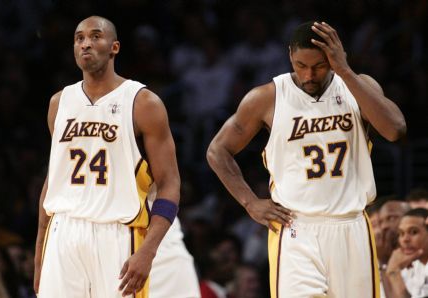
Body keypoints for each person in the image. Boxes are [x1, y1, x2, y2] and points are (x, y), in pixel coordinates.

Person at [207, 21, 406, 298]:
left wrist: (345, 71)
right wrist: (249, 202)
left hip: (352, 226)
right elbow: (217, 150)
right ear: (290, 55)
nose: (309, 75)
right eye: (301, 65)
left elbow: (395, 129)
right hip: (296, 228)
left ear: (334, 58)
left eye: (319, 66)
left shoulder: (357, 87)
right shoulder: (267, 98)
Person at [33, 16, 180, 298]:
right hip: (63, 230)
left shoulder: (143, 102)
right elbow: (53, 180)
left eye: (95, 36)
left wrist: (148, 250)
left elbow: (170, 183)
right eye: (79, 38)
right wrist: (40, 253)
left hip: (118, 232)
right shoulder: (58, 103)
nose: (86, 43)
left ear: (114, 47)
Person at [382, 208, 428, 298]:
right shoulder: (413, 266)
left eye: (413, 232)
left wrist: (393, 272)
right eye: (401, 233)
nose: (405, 239)